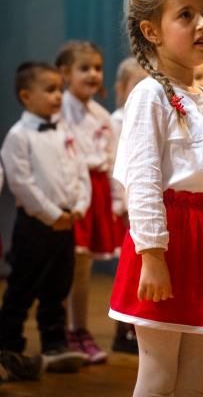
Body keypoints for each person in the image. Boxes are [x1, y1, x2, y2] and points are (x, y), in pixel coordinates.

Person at [109, 0, 203, 397]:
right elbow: (143, 179)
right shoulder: (149, 96)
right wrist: (152, 255)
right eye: (185, 15)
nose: (202, 24)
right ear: (151, 31)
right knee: (158, 372)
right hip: (168, 243)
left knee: (195, 374)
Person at [0, 62, 90, 373]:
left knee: (58, 286)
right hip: (35, 226)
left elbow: (80, 171)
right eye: (50, 90)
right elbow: (21, 183)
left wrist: (79, 205)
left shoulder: (64, 130)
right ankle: (8, 346)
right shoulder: (18, 136)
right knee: (23, 287)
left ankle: (55, 343)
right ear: (26, 96)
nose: (58, 96)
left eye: (59, 89)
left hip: (66, 222)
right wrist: (52, 215)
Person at [56, 41, 127, 363]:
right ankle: (62, 332)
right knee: (66, 267)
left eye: (97, 68)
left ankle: (79, 329)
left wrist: (116, 200)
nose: (93, 74)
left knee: (83, 270)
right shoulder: (58, 112)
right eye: (85, 68)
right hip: (72, 194)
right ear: (65, 73)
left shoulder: (102, 115)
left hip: (97, 192)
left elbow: (113, 162)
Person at [111, 57, 147, 354]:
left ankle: (140, 323)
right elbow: (116, 165)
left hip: (143, 202)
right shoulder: (116, 121)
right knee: (131, 268)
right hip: (127, 204)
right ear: (120, 89)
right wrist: (121, 203)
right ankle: (124, 328)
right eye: (136, 83)